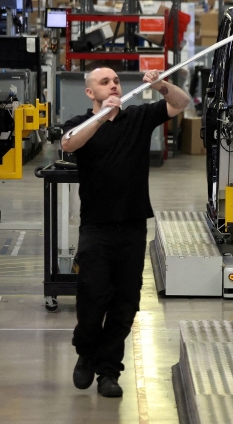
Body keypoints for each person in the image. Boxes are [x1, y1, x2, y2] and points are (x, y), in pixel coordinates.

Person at [62, 67, 190, 398]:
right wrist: (102, 117)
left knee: (125, 304)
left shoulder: (137, 117)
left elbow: (181, 103)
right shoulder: (81, 123)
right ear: (91, 93)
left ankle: (108, 372)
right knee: (92, 298)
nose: (114, 85)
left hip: (133, 225)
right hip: (96, 227)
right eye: (105, 82)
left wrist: (162, 86)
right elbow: (69, 144)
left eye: (116, 81)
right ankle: (85, 352)